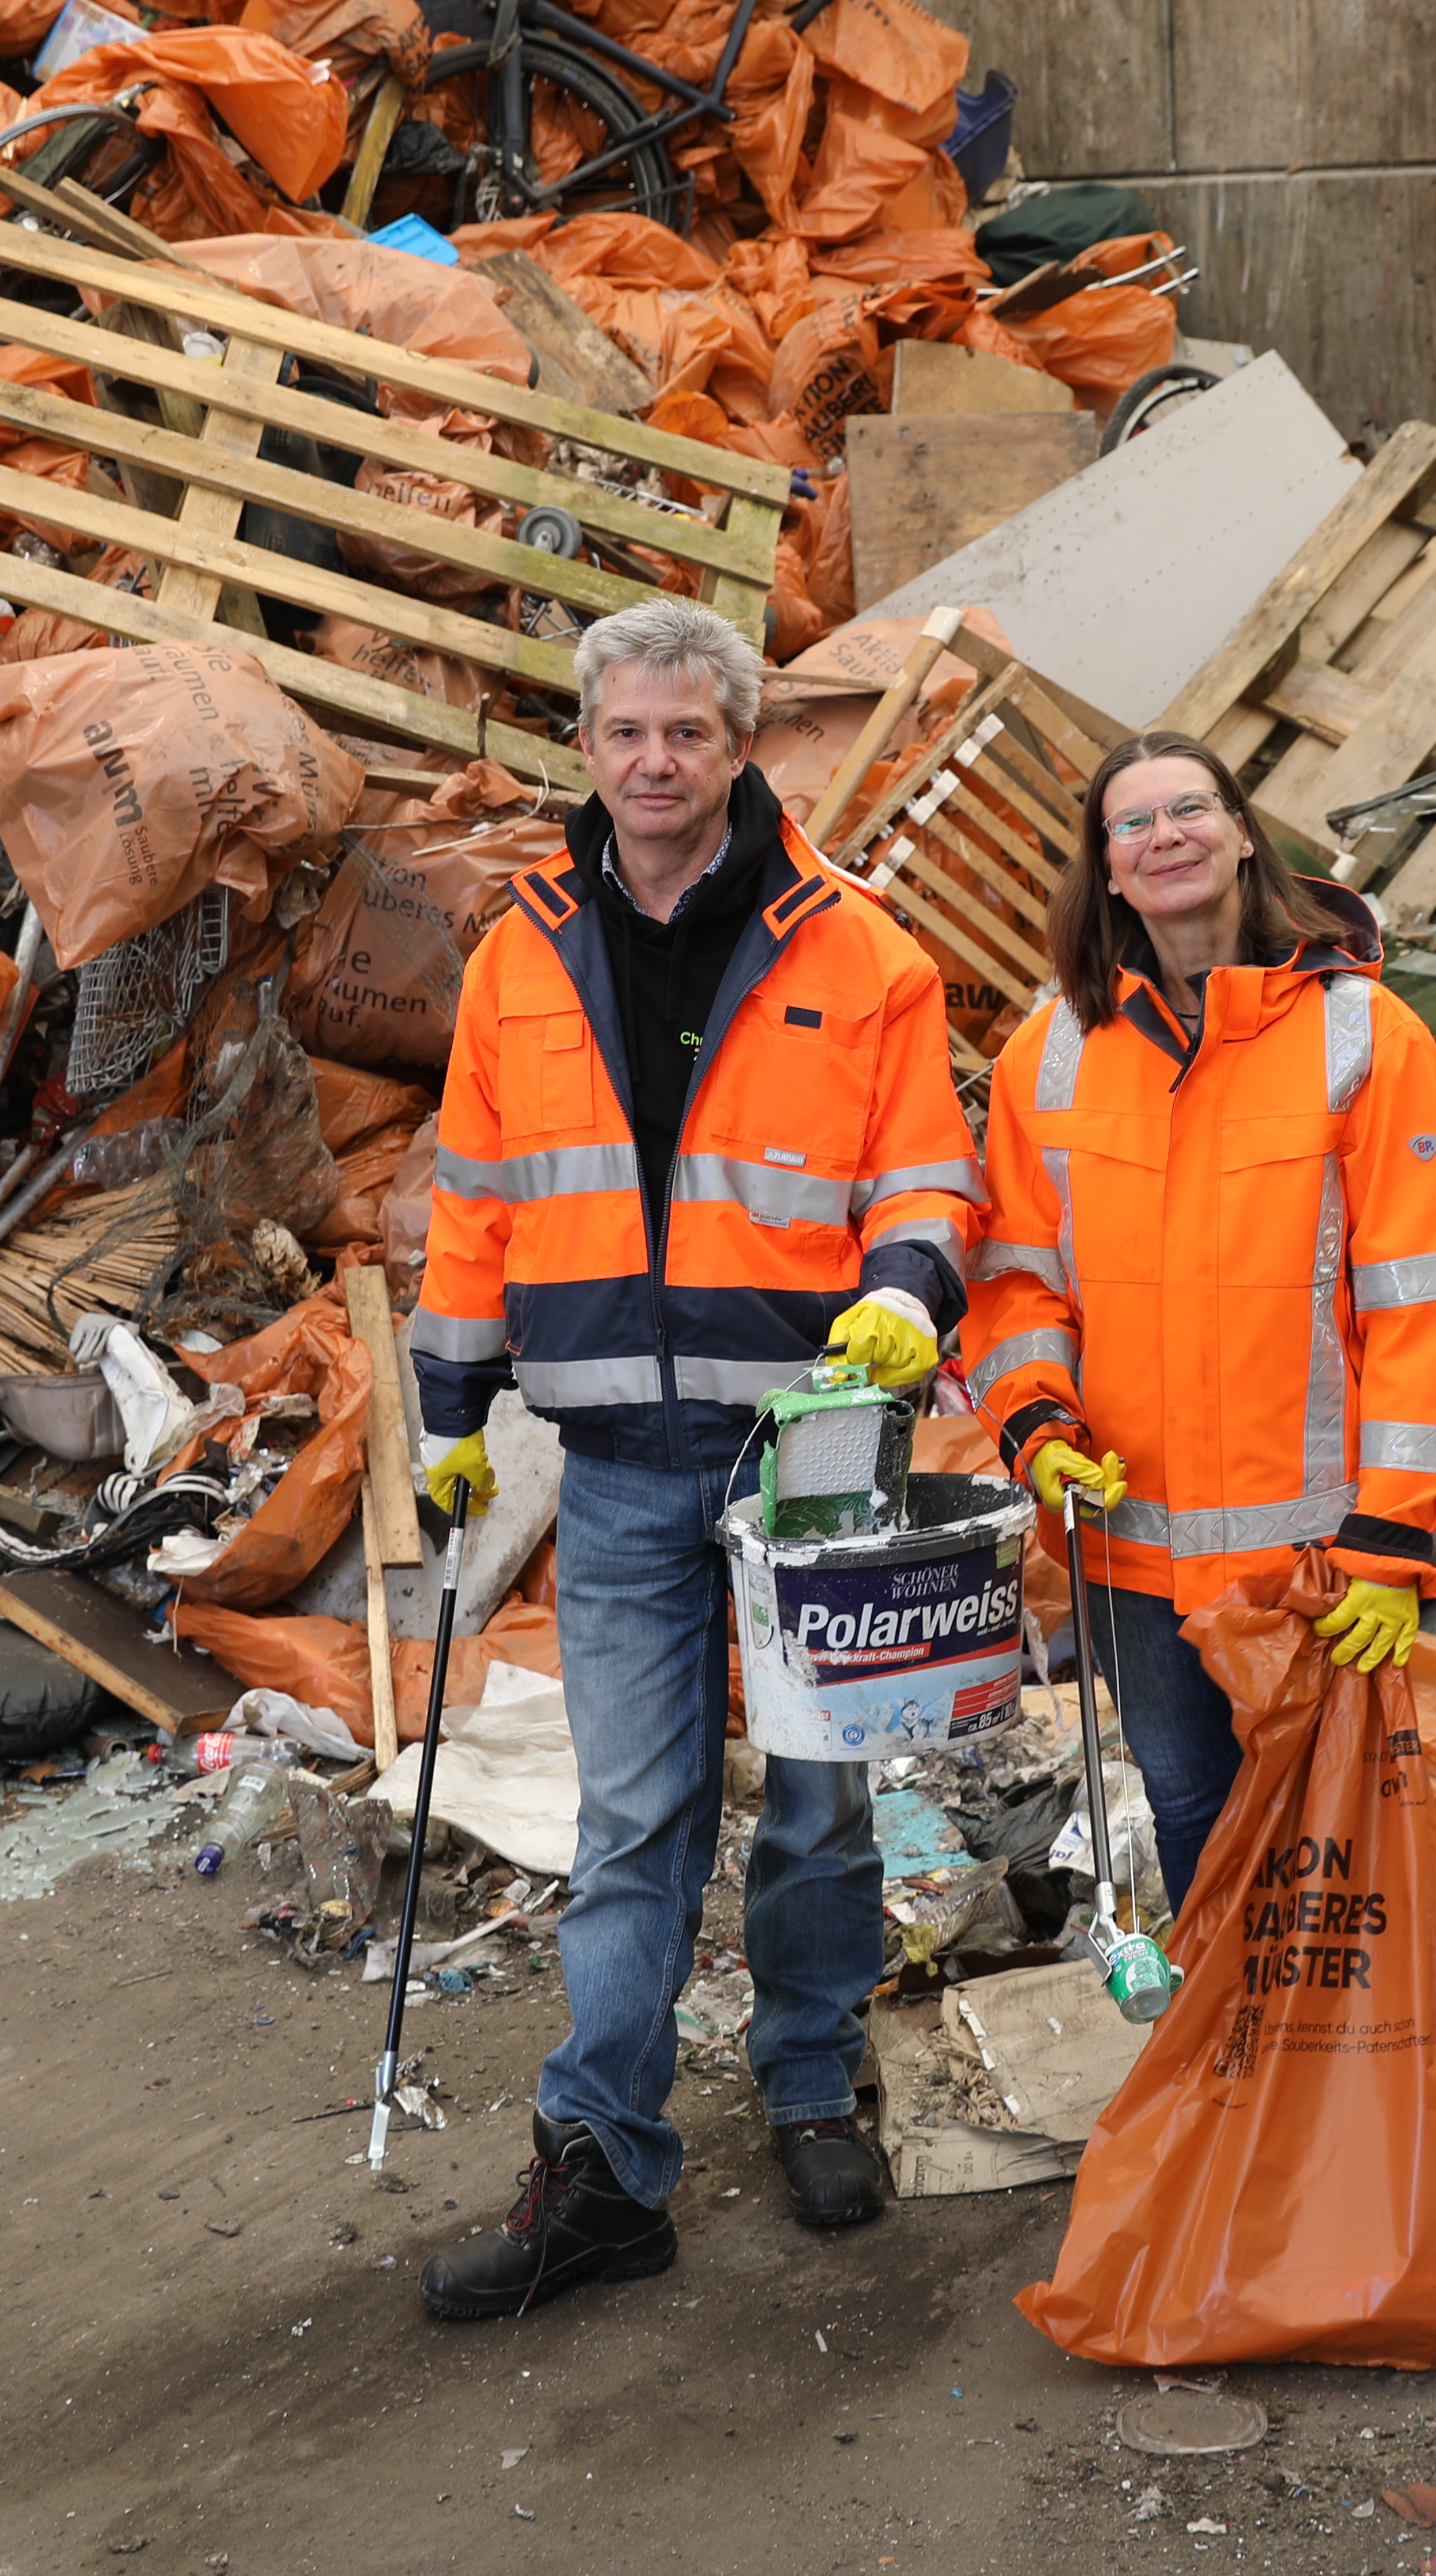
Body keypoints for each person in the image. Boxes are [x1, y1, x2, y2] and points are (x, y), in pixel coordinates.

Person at [402, 598, 978, 2321]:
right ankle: (603, 2166)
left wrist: (907, 1297)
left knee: (818, 1799)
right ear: (587, 748)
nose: (656, 762)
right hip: (624, 1463)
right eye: (626, 732)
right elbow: (472, 1198)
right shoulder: (518, 948)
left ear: (742, 747)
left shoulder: (860, 947)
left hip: (812, 1452)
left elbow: (931, 1175)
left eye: (690, 733)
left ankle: (812, 2083)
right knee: (634, 1812)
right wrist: (447, 1419)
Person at [959, 731, 1436, 1907]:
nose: (1164, 837)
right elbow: (1017, 1283)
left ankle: (1324, 2068)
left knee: (1316, 1822)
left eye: (1190, 808)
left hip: (1312, 1557)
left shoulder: (1365, 1036)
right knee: (1188, 1807)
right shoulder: (1053, 1052)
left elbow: (1417, 1304)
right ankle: (1225, 2059)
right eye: (1131, 824)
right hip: (1134, 1541)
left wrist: (1393, 1536)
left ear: (1244, 834)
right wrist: (1036, 1422)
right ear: (1106, 868)